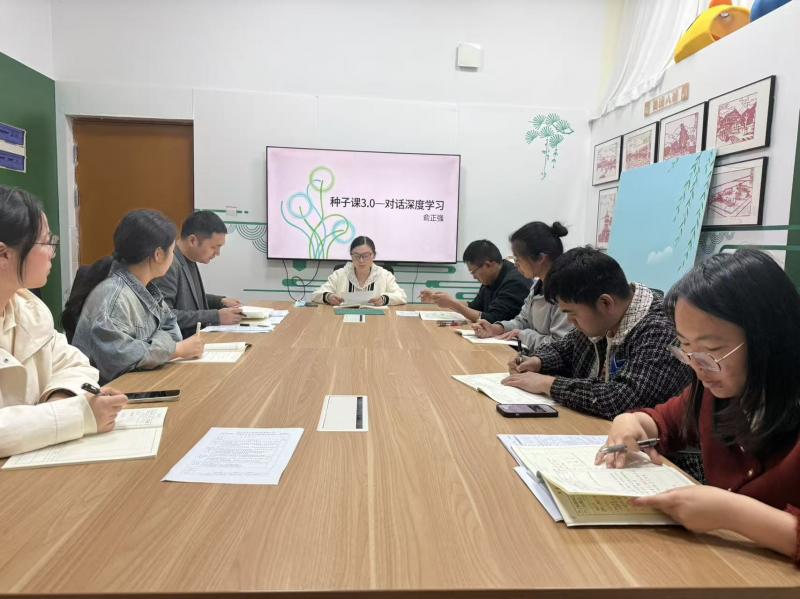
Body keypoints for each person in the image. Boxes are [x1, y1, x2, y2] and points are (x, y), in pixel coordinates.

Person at [598, 250, 800, 565]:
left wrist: (731, 513)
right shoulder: (717, 390)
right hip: (730, 567)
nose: (697, 367)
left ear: (770, 338)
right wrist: (629, 422)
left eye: (711, 350)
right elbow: (663, 421)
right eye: (686, 348)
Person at [0, 186, 127, 457]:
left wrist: (60, 401)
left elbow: (76, 364)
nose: (52, 253)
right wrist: (77, 416)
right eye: (46, 242)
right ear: (3, 254)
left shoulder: (29, 310)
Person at [503, 246, 692, 419]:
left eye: (572, 313)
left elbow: (621, 399)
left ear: (605, 303)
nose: (569, 321)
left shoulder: (661, 330)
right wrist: (538, 361)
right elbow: (566, 349)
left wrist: (548, 384)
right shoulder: (605, 318)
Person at [72, 210, 204, 383]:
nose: (173, 257)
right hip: (115, 393)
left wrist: (155, 349)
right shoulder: (114, 297)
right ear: (158, 255)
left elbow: (173, 333)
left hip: (143, 385)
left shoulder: (148, 290)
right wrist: (174, 350)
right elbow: (119, 358)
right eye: (172, 251)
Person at [471, 222, 572, 351]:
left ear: (541, 258)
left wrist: (523, 335)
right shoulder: (537, 286)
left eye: (518, 259)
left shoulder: (565, 292)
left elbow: (561, 344)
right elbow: (523, 320)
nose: (516, 264)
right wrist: (496, 328)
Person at [155, 210, 243, 339]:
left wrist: (220, 301)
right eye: (214, 247)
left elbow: (186, 298)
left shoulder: (189, 258)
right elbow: (165, 316)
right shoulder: (168, 264)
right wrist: (216, 316)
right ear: (193, 240)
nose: (217, 253)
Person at [420, 239, 530, 323]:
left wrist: (453, 304)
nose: (474, 277)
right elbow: (474, 306)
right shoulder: (491, 278)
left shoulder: (515, 281)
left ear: (488, 265)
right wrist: (440, 300)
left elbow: (492, 319)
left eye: (473, 272)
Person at [311, 236, 407, 305]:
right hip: (343, 320)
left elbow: (402, 296)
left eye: (365, 256)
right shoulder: (340, 274)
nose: (361, 260)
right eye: (356, 256)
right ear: (351, 256)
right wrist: (328, 297)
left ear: (373, 255)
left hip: (377, 320)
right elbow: (315, 294)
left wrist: (384, 299)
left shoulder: (384, 275)